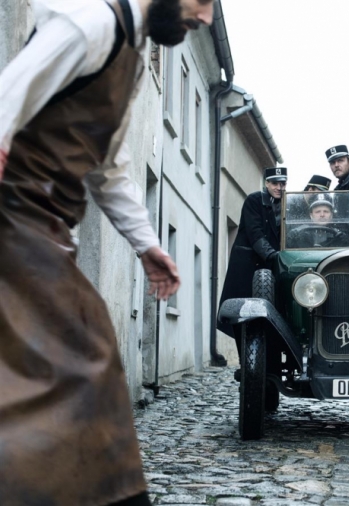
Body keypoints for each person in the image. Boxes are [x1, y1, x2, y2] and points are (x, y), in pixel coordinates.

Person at [0, 0, 210, 504]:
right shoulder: (89, 23)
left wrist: (147, 246)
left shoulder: (131, 57)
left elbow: (108, 169)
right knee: (78, 360)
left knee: (74, 361)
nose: (202, 18)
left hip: (44, 228)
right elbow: (9, 96)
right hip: (15, 220)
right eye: (201, 1)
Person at [218, 167, 287, 338]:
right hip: (247, 264)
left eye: (283, 183)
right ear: (266, 183)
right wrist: (273, 255)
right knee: (240, 312)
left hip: (270, 265)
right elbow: (254, 232)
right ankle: (245, 361)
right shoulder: (254, 200)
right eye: (275, 183)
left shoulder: (288, 204)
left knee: (273, 313)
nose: (279, 187)